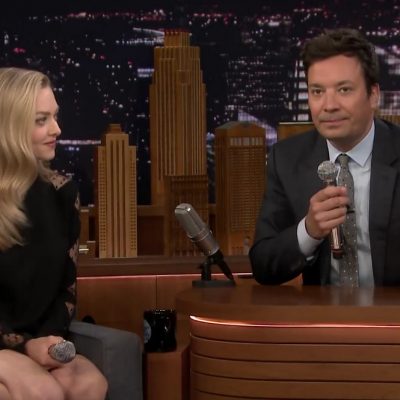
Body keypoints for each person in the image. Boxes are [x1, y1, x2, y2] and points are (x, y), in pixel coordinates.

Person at [250, 28, 400, 287]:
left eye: (344, 90)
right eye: (317, 92)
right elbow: (263, 264)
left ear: (373, 95)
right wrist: (308, 231)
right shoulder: (286, 160)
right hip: (323, 311)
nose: (329, 106)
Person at [0, 68, 108, 399]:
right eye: (41, 120)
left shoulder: (63, 194)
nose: (56, 129)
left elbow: (66, 290)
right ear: (10, 128)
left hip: (37, 341)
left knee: (89, 384)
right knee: (41, 391)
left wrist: (47, 343)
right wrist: (21, 348)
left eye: (55, 117)